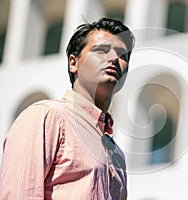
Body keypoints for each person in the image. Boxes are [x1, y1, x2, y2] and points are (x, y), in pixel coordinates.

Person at [0, 18, 135, 199]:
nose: (114, 59)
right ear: (74, 63)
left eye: (122, 55)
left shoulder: (116, 153)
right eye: (101, 50)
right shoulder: (47, 116)